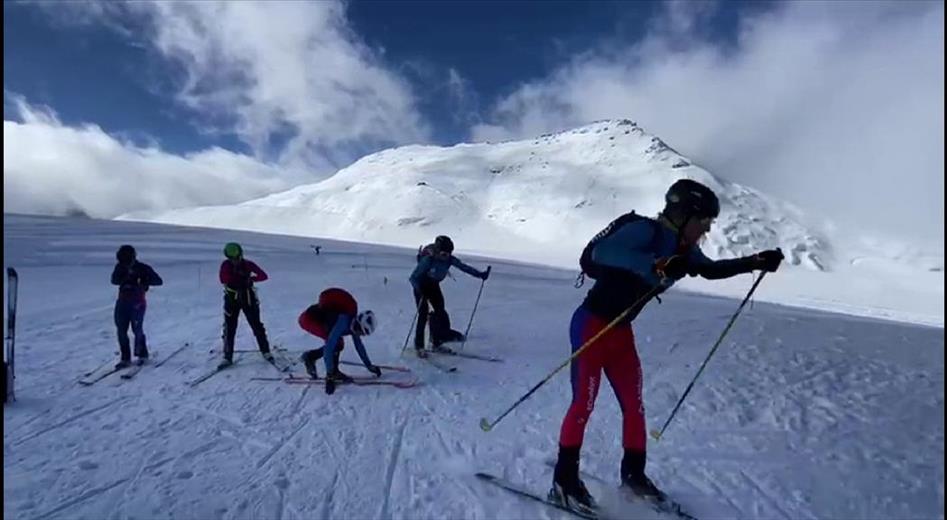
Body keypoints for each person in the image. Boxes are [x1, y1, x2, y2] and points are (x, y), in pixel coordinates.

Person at [550, 179, 784, 514]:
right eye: (703, 220)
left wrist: (755, 261)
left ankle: (634, 476)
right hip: (592, 326)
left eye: (709, 222)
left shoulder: (684, 250)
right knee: (584, 404)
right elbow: (603, 253)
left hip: (620, 334)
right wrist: (655, 265)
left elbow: (710, 270)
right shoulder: (645, 231)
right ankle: (564, 481)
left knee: (635, 406)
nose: (707, 228)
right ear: (683, 214)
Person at [409, 235, 490, 357]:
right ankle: (419, 346)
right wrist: (420, 290)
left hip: (433, 285)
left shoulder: (449, 260)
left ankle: (437, 342)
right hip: (421, 286)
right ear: (437, 251)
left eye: (448, 254)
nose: (445, 257)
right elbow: (413, 278)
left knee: (440, 312)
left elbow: (464, 267)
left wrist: (480, 275)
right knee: (423, 314)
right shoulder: (428, 260)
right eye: (443, 254)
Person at [298, 288, 380, 395]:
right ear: (359, 324)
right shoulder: (343, 322)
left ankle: (312, 358)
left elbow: (359, 346)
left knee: (338, 344)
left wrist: (369, 366)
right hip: (308, 320)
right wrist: (329, 376)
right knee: (336, 344)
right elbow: (329, 348)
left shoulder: (354, 324)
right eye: (361, 332)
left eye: (363, 334)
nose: (360, 335)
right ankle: (313, 360)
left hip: (317, 319)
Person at [218, 242, 271, 368]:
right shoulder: (226, 265)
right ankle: (227, 356)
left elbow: (263, 276)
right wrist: (245, 278)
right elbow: (223, 279)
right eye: (232, 258)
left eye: (236, 258)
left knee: (256, 325)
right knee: (230, 327)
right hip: (233, 298)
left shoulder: (247, 264)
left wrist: (250, 279)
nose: (234, 260)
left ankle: (266, 351)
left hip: (247, 297)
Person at [110, 245, 163, 369]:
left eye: (127, 260)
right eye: (122, 260)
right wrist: (124, 277)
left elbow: (158, 281)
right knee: (121, 330)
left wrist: (144, 280)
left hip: (137, 303)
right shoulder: (120, 267)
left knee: (137, 329)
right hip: (122, 302)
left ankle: (142, 354)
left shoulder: (143, 268)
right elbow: (114, 280)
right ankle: (125, 358)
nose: (125, 263)